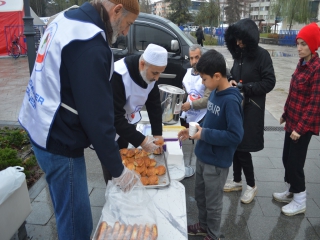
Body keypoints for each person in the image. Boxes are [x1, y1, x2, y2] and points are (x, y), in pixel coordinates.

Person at [18, 1, 140, 239]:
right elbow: (97, 116)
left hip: (38, 122)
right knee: (77, 224)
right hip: (58, 138)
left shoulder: (69, 18)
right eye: (127, 24)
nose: (126, 32)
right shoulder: (91, 43)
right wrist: (118, 170)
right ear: (116, 10)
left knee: (65, 208)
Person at [178, 49, 244, 240]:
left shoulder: (231, 101)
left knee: (213, 203)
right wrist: (197, 129)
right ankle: (204, 226)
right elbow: (212, 119)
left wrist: (204, 133)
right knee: (200, 196)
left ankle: (213, 235)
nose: (203, 83)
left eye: (204, 79)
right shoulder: (215, 91)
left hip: (216, 162)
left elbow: (235, 135)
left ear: (217, 76)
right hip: (203, 153)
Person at [223, 18, 276, 204]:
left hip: (252, 108)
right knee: (236, 144)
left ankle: (251, 185)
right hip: (238, 106)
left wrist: (247, 87)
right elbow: (233, 74)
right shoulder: (240, 54)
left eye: (241, 39)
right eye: (236, 39)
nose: (238, 43)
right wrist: (231, 79)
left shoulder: (262, 56)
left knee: (243, 147)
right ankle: (237, 180)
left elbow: (270, 82)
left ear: (250, 37)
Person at [101, 44, 167, 184]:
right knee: (113, 168)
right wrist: (142, 141)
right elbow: (115, 118)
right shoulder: (119, 75)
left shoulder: (150, 74)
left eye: (160, 73)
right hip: (108, 128)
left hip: (126, 123)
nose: (157, 78)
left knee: (127, 158)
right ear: (142, 64)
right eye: (155, 73)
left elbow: (154, 105)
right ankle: (112, 192)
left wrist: (157, 134)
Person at [273, 23, 320, 216]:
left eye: (303, 44)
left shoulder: (317, 69)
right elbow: (293, 93)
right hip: (292, 121)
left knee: (295, 163)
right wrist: (285, 113)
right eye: (298, 43)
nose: (299, 48)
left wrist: (300, 128)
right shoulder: (301, 63)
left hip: (303, 126)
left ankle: (300, 200)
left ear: (313, 45)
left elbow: (314, 104)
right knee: (286, 158)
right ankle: (292, 190)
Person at [180, 44, 211, 128]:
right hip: (188, 113)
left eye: (197, 57)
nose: (194, 61)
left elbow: (208, 99)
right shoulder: (187, 73)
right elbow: (185, 94)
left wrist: (190, 105)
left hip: (203, 116)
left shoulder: (208, 74)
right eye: (191, 58)